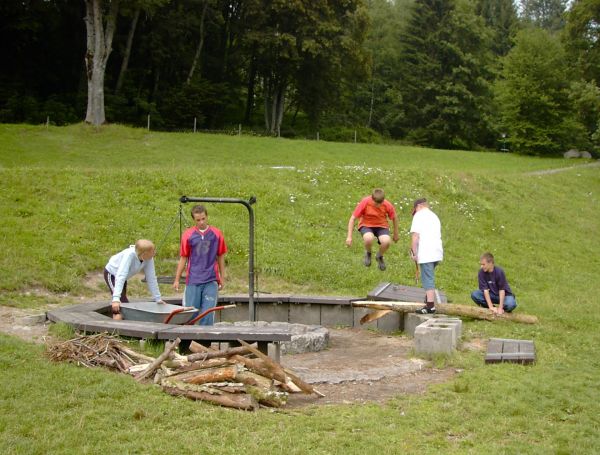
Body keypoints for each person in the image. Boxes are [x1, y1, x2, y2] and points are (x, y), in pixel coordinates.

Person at [173, 205, 227, 325]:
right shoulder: (187, 235)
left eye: (203, 218)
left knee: (208, 313)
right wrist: (177, 279)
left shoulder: (217, 234)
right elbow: (183, 257)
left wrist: (223, 277)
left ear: (207, 216)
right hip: (193, 279)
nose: (201, 222)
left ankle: (205, 341)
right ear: (194, 220)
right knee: (190, 313)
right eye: (198, 220)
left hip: (211, 279)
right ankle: (187, 340)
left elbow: (221, 256)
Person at [104, 239, 166, 320]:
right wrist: (116, 299)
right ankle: (115, 329)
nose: (155, 253)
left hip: (123, 277)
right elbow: (121, 275)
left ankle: (120, 326)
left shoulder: (149, 258)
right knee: (123, 306)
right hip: (112, 274)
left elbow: (151, 278)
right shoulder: (129, 255)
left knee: (124, 306)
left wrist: (158, 298)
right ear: (144, 254)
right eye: (153, 251)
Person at [346, 188, 399, 271]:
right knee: (368, 238)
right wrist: (349, 237)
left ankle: (379, 256)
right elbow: (352, 218)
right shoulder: (365, 202)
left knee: (386, 241)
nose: (378, 205)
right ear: (372, 198)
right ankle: (368, 253)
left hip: (381, 226)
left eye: (380, 203)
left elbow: (394, 218)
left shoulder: (387, 204)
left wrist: (396, 233)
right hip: (366, 225)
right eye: (376, 203)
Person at [409, 198, 443, 314]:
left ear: (418, 206)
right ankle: (428, 301)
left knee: (427, 278)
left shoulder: (418, 216)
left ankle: (430, 306)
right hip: (437, 251)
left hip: (427, 252)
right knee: (429, 276)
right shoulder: (434, 216)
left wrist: (414, 253)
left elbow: (415, 237)